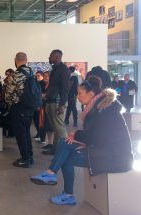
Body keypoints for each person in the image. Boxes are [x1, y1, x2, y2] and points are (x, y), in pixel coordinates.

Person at [30, 76, 133, 205]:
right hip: (103, 149)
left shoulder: (105, 109)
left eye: (80, 93)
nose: (77, 97)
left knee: (66, 154)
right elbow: (99, 136)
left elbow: (99, 137)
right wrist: (82, 139)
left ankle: (61, 185)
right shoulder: (98, 107)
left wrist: (77, 134)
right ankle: (53, 176)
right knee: (64, 142)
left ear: (91, 94)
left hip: (115, 156)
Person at [5, 52, 36, 168]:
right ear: (26, 59)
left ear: (15, 60)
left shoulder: (15, 75)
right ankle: (30, 156)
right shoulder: (31, 72)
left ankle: (25, 159)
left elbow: (8, 94)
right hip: (30, 107)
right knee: (26, 131)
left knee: (20, 133)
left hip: (19, 107)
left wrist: (10, 103)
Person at [43, 49, 70, 155]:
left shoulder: (64, 70)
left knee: (59, 128)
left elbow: (65, 88)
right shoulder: (55, 69)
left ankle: (64, 150)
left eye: (51, 56)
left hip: (58, 102)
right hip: (51, 101)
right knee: (55, 127)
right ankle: (55, 149)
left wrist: (62, 105)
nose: (49, 57)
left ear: (57, 57)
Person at [32, 71, 46, 141]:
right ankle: (39, 134)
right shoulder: (35, 83)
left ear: (42, 76)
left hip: (41, 105)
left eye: (38, 75)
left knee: (40, 121)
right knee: (36, 120)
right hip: (35, 104)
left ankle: (42, 137)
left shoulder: (43, 83)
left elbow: (43, 94)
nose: (37, 77)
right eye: (36, 76)